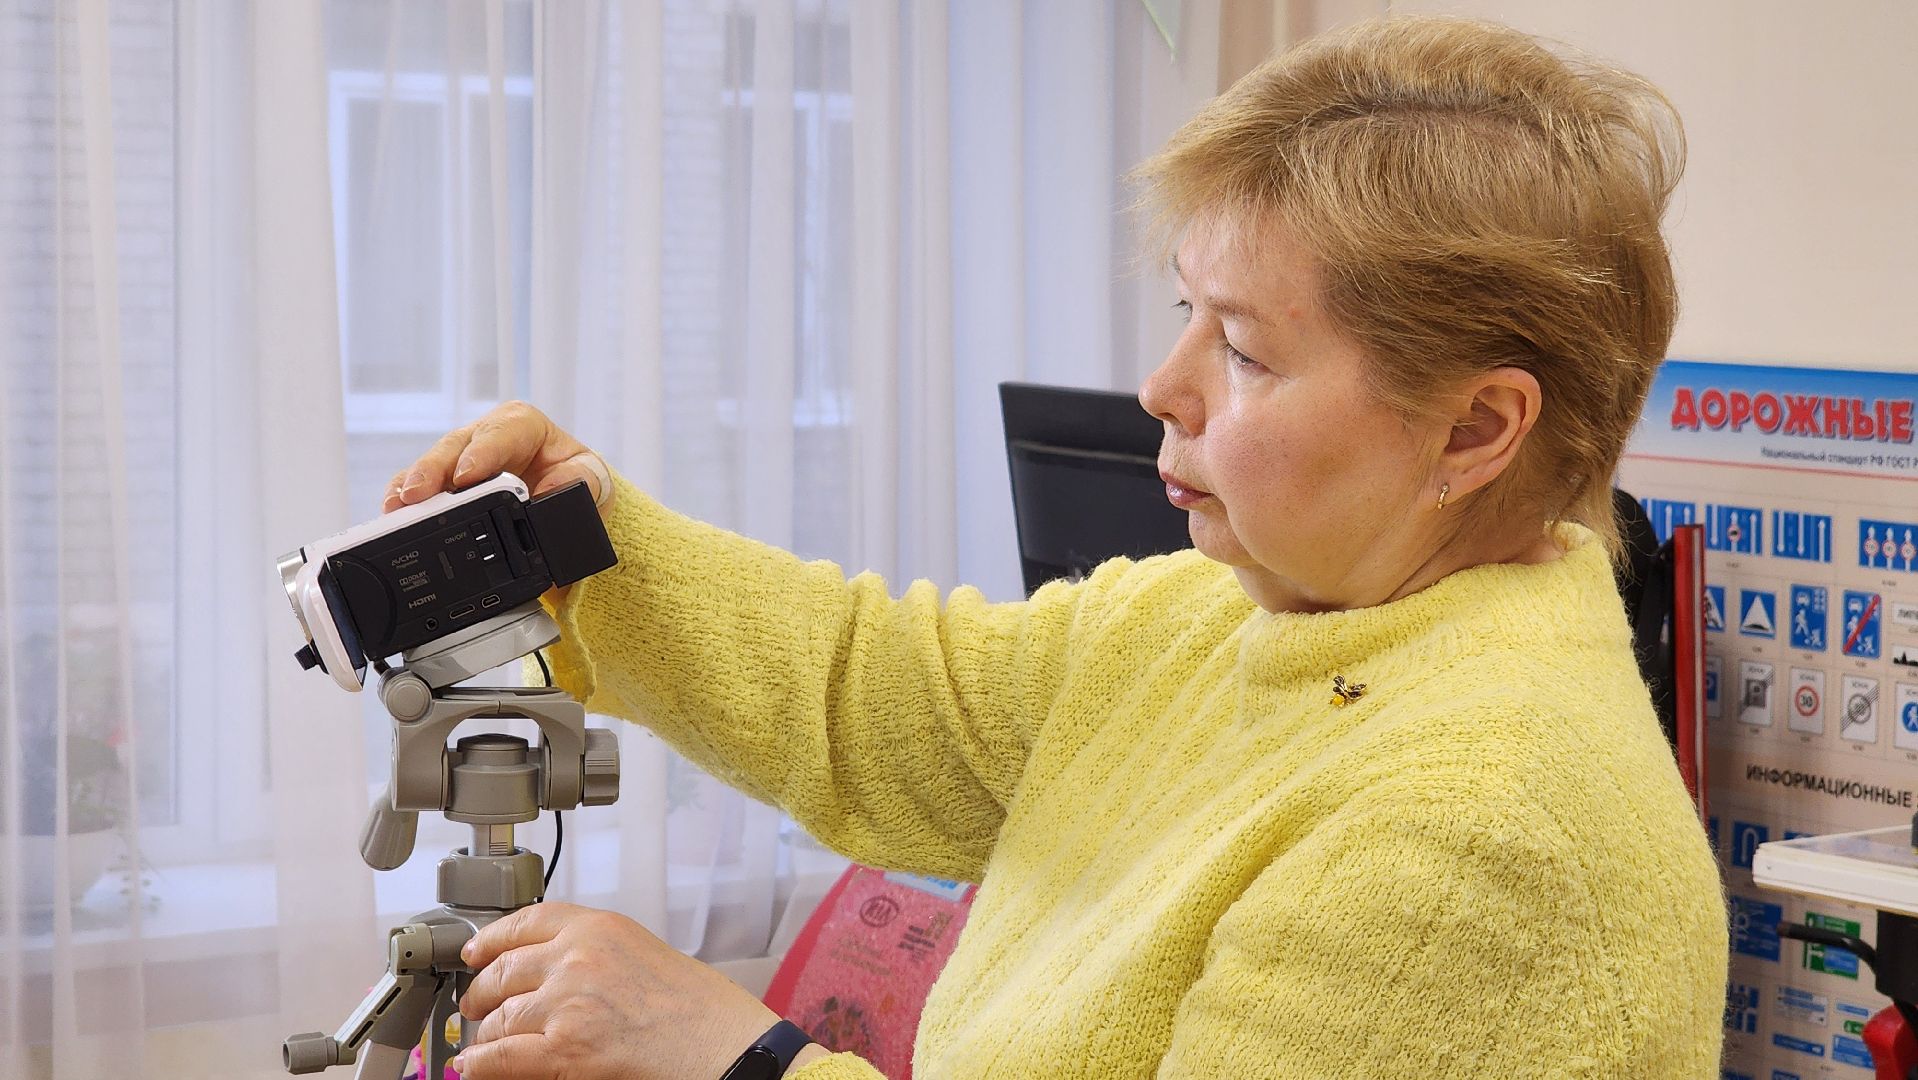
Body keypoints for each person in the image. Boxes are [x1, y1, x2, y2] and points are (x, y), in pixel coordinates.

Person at [383, 16, 1726, 1079]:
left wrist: (734, 1056)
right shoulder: (1220, 617)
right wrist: (589, 543)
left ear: (1473, 430)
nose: (1162, 382)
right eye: (1185, 311)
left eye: (1244, 349)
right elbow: (879, 698)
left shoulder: (1481, 838)